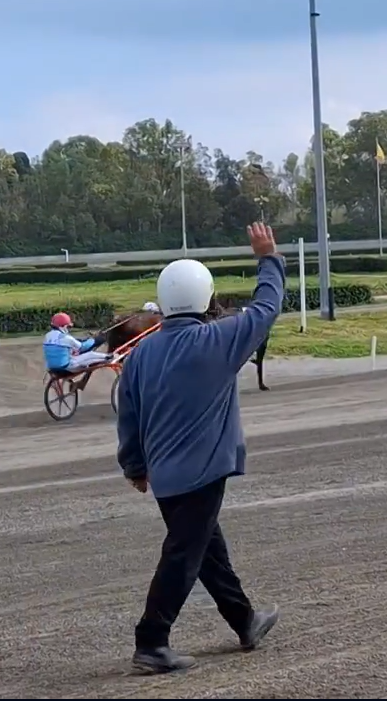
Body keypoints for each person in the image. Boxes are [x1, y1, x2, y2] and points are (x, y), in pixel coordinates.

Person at [114, 221, 284, 674]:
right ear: (207, 298)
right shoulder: (218, 339)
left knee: (207, 550)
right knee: (184, 555)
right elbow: (266, 307)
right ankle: (151, 641)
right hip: (204, 472)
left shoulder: (140, 354)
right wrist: (268, 258)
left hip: (163, 477)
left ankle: (245, 621)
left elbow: (128, 414)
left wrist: (134, 466)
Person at [42, 312, 112, 373]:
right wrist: (94, 340)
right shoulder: (65, 337)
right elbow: (83, 347)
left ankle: (106, 358)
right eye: (68, 327)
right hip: (66, 368)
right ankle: (109, 357)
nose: (69, 329)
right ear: (63, 326)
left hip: (51, 367)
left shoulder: (47, 335)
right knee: (90, 355)